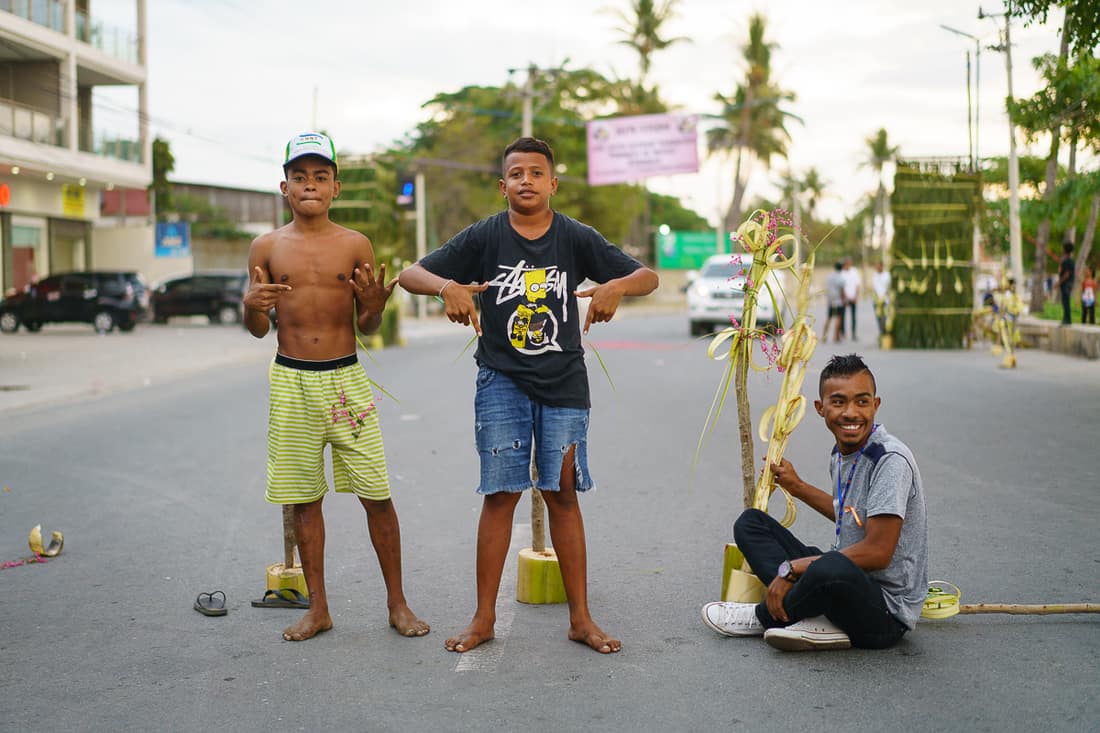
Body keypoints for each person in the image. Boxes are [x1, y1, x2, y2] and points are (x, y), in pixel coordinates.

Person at [397, 136, 658, 654]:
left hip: (564, 385)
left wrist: (616, 288)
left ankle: (581, 618)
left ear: (553, 183)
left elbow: (646, 276)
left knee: (563, 496)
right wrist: (446, 286)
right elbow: (410, 273)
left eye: (536, 173)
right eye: (516, 174)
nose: (526, 182)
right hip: (501, 381)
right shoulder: (486, 237)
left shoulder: (575, 238)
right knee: (500, 496)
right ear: (502, 186)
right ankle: (483, 618)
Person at [242, 132, 428, 642]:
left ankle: (398, 603)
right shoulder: (266, 246)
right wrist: (252, 306)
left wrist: (375, 304)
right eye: (300, 177)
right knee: (304, 500)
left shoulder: (354, 244)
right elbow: (259, 328)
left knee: (376, 494)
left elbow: (367, 325)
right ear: (284, 186)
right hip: (292, 381)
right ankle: (318, 609)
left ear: (335, 187)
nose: (310, 185)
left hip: (345, 380)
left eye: (320, 177)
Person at [701, 354, 928, 651]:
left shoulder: (889, 460)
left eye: (862, 401)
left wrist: (793, 569)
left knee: (828, 566)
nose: (851, 413)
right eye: (838, 402)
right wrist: (797, 487)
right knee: (751, 523)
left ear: (876, 404)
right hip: (846, 579)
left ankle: (764, 616)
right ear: (820, 408)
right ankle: (807, 610)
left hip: (883, 613)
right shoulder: (843, 452)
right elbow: (850, 515)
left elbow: (877, 552)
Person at [823, 261, 845, 343]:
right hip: (838, 300)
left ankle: (824, 335)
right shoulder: (841, 278)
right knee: (838, 318)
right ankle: (835, 336)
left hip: (830, 300)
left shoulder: (829, 277)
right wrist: (844, 300)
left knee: (828, 318)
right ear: (841, 268)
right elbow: (842, 291)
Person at [842, 257, 861, 340]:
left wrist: (856, 296)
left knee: (853, 316)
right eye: (847, 263)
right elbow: (841, 286)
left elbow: (857, 285)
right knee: (842, 316)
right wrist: (844, 297)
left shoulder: (854, 271)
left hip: (853, 297)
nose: (848, 265)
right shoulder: (841, 272)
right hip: (844, 297)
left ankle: (853, 334)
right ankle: (843, 333)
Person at [1056, 241, 1075, 325]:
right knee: (1065, 301)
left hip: (1066, 284)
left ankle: (1067, 320)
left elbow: (1066, 274)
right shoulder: (1067, 261)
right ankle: (1066, 319)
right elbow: (1060, 271)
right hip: (1067, 284)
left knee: (1066, 302)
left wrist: (1059, 283)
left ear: (1064, 250)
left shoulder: (1068, 261)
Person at [871, 262, 891, 337]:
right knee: (878, 317)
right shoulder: (875, 275)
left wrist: (885, 296)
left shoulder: (887, 275)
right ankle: (881, 332)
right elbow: (874, 288)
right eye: (876, 267)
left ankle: (885, 332)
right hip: (876, 301)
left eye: (878, 267)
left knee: (885, 317)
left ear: (882, 266)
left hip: (885, 300)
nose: (877, 268)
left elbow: (889, 287)